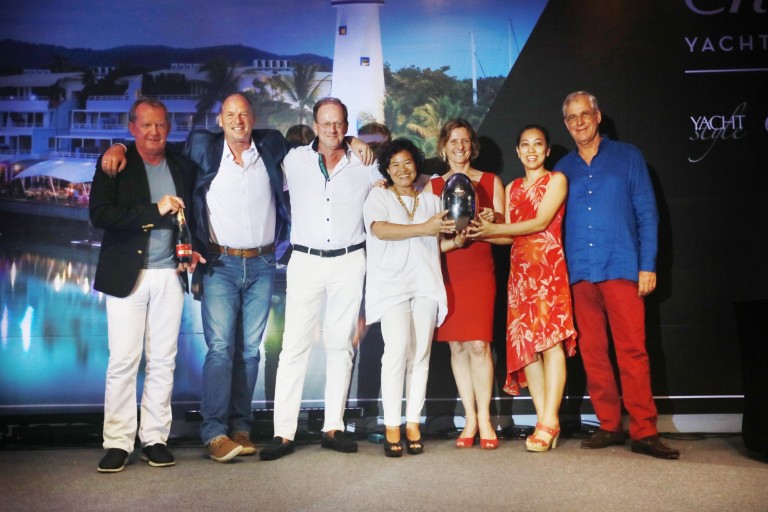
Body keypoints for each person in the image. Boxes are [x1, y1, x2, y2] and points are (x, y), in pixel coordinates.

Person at [100, 94, 372, 463]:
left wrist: (351, 141)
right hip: (219, 264)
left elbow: (321, 144)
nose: (238, 120)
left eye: (244, 114)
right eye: (230, 114)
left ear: (253, 117)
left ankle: (241, 428)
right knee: (220, 350)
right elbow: (159, 147)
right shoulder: (202, 146)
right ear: (220, 119)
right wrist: (118, 145)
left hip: (262, 265)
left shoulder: (273, 146)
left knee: (248, 352)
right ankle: (213, 432)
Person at [556, 91, 679, 459]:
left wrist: (648, 264)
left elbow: (647, 213)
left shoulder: (628, 156)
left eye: (584, 114)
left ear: (597, 116)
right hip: (579, 271)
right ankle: (609, 425)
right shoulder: (562, 168)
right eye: (571, 117)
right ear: (566, 123)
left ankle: (644, 431)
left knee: (632, 351)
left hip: (622, 267)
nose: (579, 122)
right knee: (593, 353)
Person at [259, 97, 378, 460]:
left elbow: (394, 190)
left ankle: (333, 426)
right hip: (306, 261)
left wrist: (361, 144)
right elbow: (257, 140)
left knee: (340, 347)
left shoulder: (364, 163)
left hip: (349, 260)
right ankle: (283, 433)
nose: (333, 130)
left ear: (346, 125)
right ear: (313, 124)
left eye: (339, 123)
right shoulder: (294, 159)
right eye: (326, 123)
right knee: (294, 346)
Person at [90, 97, 201, 473]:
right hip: (127, 276)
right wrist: (155, 211)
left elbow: (194, 217)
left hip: (171, 275)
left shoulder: (183, 165)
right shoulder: (115, 163)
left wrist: (195, 251)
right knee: (123, 361)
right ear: (132, 128)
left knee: (163, 361)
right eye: (147, 125)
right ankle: (118, 443)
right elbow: (100, 215)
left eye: (161, 125)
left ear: (169, 128)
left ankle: (154, 439)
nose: (155, 132)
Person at [469, 125, 577, 452]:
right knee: (529, 349)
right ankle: (545, 419)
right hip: (520, 276)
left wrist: (496, 225)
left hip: (549, 270)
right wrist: (477, 231)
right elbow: (507, 236)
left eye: (538, 145)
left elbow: (539, 223)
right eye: (525, 145)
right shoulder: (512, 187)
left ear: (547, 151)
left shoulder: (556, 180)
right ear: (517, 151)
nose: (531, 150)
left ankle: (549, 421)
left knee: (551, 343)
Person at [363, 138, 452, 457]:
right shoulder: (379, 196)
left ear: (417, 165)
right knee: (397, 350)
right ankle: (391, 424)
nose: (402, 169)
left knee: (421, 355)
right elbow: (381, 231)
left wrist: (458, 240)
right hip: (391, 286)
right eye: (395, 164)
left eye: (408, 163)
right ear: (387, 168)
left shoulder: (431, 201)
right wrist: (425, 228)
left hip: (426, 283)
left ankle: (413, 421)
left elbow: (433, 244)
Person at [423, 118, 505, 449]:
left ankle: (485, 419)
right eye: (453, 141)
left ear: (472, 146)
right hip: (447, 268)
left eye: (465, 141)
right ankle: (469, 419)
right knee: (457, 345)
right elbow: (428, 238)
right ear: (443, 147)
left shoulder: (490, 181)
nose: (460, 146)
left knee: (479, 345)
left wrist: (491, 222)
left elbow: (505, 232)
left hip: (480, 269)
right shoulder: (431, 187)